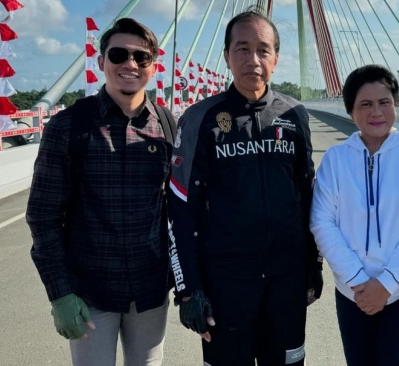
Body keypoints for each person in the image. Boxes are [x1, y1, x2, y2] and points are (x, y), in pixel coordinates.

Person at [167, 8, 322, 366]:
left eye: (263, 50)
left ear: (276, 58)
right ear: (226, 56)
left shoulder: (295, 115)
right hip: (226, 282)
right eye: (242, 49)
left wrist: (313, 266)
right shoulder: (199, 118)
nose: (253, 59)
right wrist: (188, 290)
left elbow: (308, 198)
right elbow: (180, 207)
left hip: (286, 279)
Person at [27, 17, 175, 366]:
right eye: (119, 54)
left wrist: (190, 283)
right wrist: (60, 292)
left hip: (151, 287)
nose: (130, 64)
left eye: (142, 58)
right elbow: (43, 215)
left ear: (154, 66)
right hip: (90, 291)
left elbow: (182, 211)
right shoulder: (69, 126)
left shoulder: (169, 125)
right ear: (101, 62)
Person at [310, 65, 399, 366]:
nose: (376, 112)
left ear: (396, 104)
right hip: (352, 291)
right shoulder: (335, 160)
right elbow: (322, 222)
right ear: (350, 111)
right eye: (365, 104)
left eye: (384, 102)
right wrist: (358, 281)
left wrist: (386, 285)